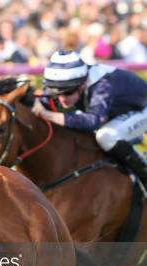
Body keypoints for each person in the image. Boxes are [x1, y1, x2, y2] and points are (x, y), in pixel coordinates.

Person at [33, 50, 147, 184]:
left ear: (81, 84)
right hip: (118, 111)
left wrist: (49, 115)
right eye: (56, 91)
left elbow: (94, 121)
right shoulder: (64, 82)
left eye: (68, 92)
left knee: (106, 136)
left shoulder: (102, 84)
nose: (62, 99)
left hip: (141, 108)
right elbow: (40, 105)